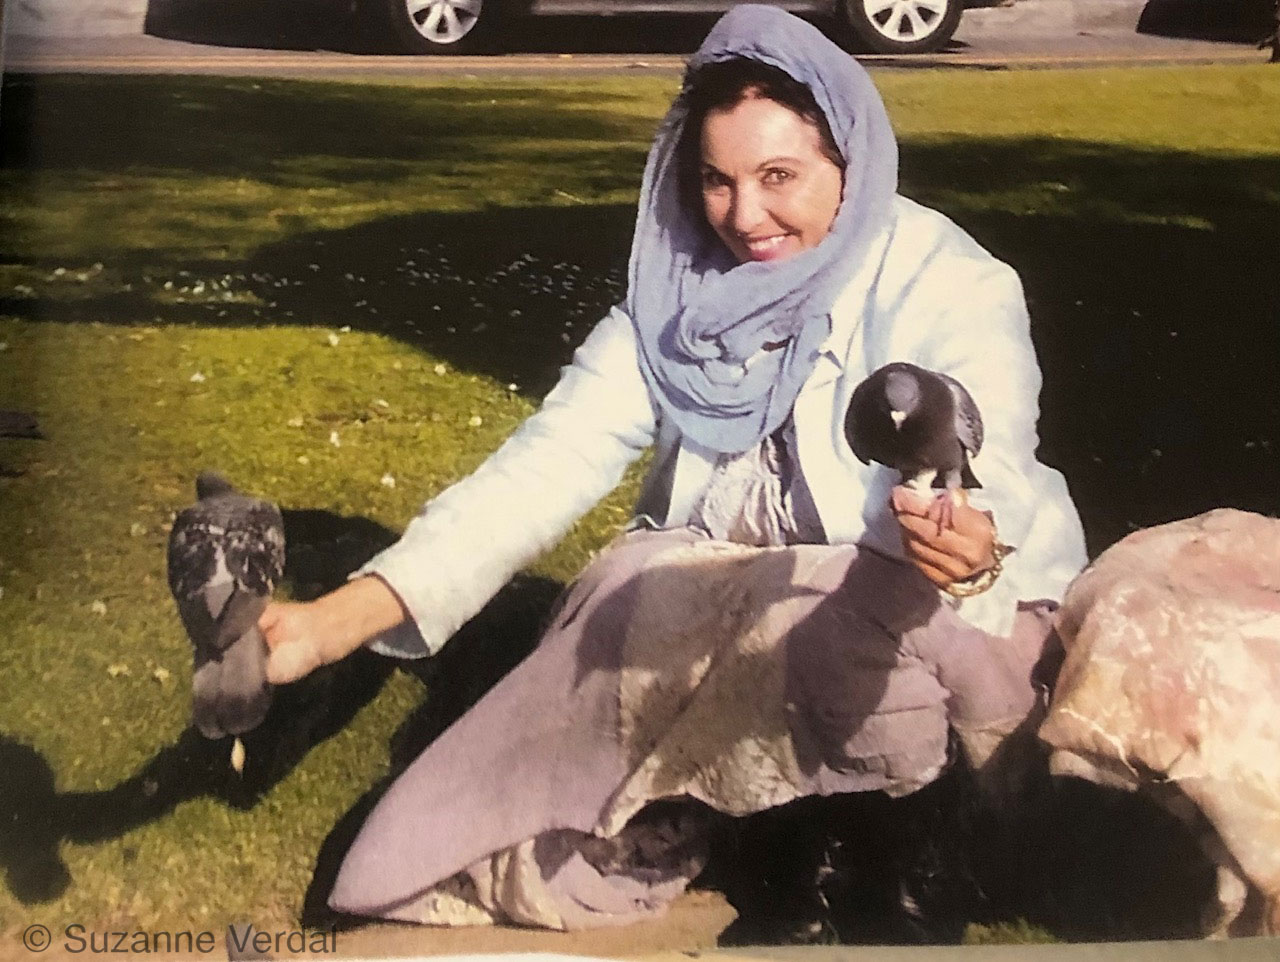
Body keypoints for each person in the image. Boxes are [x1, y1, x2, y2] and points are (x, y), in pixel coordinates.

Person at [258, 4, 1087, 932]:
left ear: (850, 162)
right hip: (750, 624)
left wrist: (967, 540)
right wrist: (336, 623)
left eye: (781, 176)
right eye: (716, 181)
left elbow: (982, 450)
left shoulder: (951, 279)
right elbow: (548, 463)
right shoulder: (676, 299)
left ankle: (900, 841)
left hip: (940, 618)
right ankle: (781, 831)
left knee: (849, 612)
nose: (745, 216)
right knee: (633, 587)